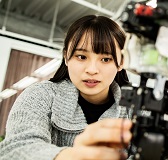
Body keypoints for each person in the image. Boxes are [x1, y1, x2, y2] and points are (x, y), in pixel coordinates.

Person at [0, 15, 133, 160]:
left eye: (106, 59)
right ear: (66, 57)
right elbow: (16, 149)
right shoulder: (39, 96)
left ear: (121, 62)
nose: (92, 69)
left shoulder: (133, 110)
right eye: (81, 57)